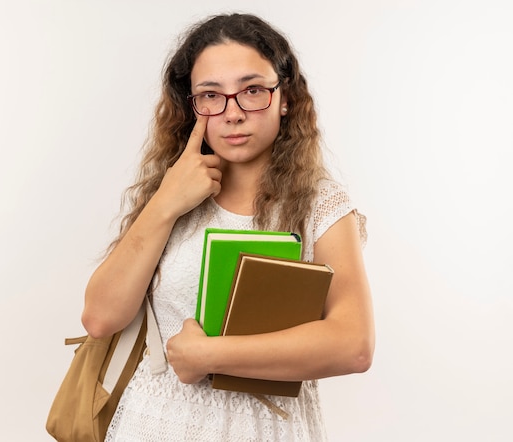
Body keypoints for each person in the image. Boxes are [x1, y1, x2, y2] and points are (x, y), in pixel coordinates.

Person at [82, 12, 374, 441]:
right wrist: (166, 202)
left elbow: (353, 344)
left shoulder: (320, 205)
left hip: (269, 430)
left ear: (285, 97)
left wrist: (209, 355)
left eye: (252, 90)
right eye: (211, 95)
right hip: (157, 425)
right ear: (192, 105)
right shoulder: (170, 197)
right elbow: (100, 317)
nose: (232, 113)